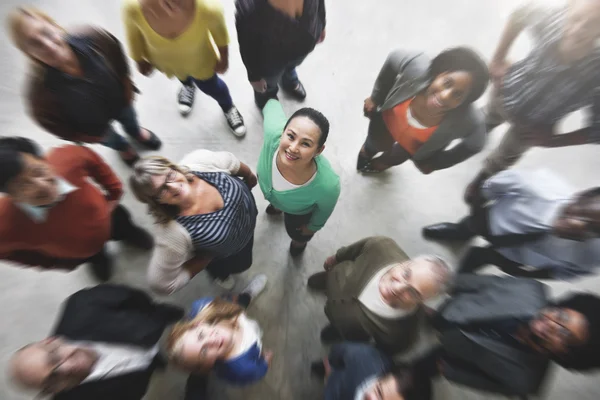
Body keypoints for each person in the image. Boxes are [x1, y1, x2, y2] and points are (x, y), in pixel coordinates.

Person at [465, 0, 600, 201]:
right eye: (576, 18)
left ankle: (484, 177)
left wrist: (554, 141)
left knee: (506, 156)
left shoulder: (596, 73)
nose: (578, 29)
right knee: (487, 116)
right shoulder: (551, 20)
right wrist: (498, 59)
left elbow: (597, 130)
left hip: (532, 127)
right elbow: (520, 14)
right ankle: (480, 131)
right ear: (569, 7)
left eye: (591, 24)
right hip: (507, 90)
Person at [7, 7, 161, 166]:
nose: (49, 46)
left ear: (54, 25)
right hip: (96, 128)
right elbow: (50, 122)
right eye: (35, 44)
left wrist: (127, 85)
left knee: (130, 119)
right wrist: (80, 136)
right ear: (29, 53)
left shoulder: (91, 37)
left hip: (120, 101)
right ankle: (122, 147)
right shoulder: (39, 93)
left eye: (46, 32)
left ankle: (135, 133)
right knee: (111, 139)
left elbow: (117, 55)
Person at [0, 137, 152, 282]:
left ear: (45, 161)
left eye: (38, 171)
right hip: (78, 251)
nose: (42, 186)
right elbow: (6, 253)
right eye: (22, 185)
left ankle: (130, 234)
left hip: (110, 215)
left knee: (124, 226)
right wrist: (52, 263)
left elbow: (90, 159)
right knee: (94, 256)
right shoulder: (4, 224)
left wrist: (114, 191)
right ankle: (98, 259)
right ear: (12, 196)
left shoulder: (67, 157)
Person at [427, 275, 600, 396]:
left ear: (566, 354)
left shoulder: (527, 381)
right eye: (562, 316)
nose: (552, 324)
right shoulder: (530, 290)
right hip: (452, 310)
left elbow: (489, 384)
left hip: (455, 353)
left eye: (564, 334)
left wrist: (451, 372)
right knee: (435, 318)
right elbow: (479, 283)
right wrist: (446, 283)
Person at [9, 284, 184, 400]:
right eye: (53, 379)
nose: (68, 368)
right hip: (139, 376)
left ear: (51, 341)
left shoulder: (83, 304)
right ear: (50, 392)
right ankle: (154, 362)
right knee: (155, 363)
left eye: (54, 358)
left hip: (158, 323)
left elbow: (135, 298)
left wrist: (159, 312)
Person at [423, 169, 600, 280]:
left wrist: (525, 273)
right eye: (581, 213)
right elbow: (490, 188)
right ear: (580, 196)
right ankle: (457, 232)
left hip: (513, 258)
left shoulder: (593, 256)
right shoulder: (538, 185)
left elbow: (564, 273)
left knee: (481, 258)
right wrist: (476, 210)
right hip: (488, 221)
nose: (576, 224)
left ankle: (464, 271)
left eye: (592, 228)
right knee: (468, 226)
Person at [130, 149, 258, 293]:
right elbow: (160, 284)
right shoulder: (172, 233)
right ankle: (221, 276)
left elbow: (231, 162)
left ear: (173, 168)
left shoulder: (200, 161)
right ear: (155, 201)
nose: (173, 187)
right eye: (161, 190)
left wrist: (248, 175)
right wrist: (205, 259)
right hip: (229, 255)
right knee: (233, 267)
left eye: (170, 176)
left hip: (247, 231)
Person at [307, 236, 452, 353]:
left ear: (422, 301)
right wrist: (336, 258)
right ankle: (325, 281)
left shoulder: (403, 333)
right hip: (336, 276)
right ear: (407, 262)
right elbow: (356, 249)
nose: (397, 287)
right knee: (329, 277)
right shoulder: (382, 246)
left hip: (347, 328)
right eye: (406, 274)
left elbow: (383, 351)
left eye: (413, 292)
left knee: (342, 330)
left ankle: (336, 330)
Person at [122, 0, 246, 136]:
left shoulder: (208, 9)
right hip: (168, 62)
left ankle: (228, 106)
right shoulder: (132, 9)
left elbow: (221, 36)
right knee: (182, 77)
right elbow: (132, 35)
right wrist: (138, 59)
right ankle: (187, 86)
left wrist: (224, 57)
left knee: (212, 87)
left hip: (201, 62)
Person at [357, 47, 489, 173]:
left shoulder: (466, 117)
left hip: (410, 147)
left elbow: (477, 142)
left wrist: (437, 163)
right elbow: (393, 58)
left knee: (394, 157)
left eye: (457, 95)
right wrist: (376, 97)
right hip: (386, 122)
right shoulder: (416, 66)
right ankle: (367, 151)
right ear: (439, 73)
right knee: (376, 142)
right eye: (447, 83)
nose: (444, 96)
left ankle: (381, 162)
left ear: (464, 102)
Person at [257, 99, 340, 256]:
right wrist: (268, 96)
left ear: (319, 150)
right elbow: (271, 105)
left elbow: (324, 210)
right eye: (290, 136)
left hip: (298, 214)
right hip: (276, 198)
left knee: (297, 233)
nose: (293, 148)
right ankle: (277, 206)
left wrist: (311, 228)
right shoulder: (272, 132)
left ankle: (298, 243)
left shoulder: (328, 185)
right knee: (276, 201)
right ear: (283, 131)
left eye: (306, 144)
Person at [167, 274, 270, 397]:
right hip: (253, 339)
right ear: (209, 364)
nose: (211, 341)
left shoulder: (206, 309)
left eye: (201, 335)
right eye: (204, 351)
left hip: (234, 311)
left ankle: (248, 294)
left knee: (240, 304)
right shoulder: (242, 368)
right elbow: (256, 372)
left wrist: (224, 304)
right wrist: (264, 363)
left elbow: (214, 304)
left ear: (199, 324)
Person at [235, 0, 326, 108]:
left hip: (300, 48)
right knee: (268, 83)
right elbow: (248, 47)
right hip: (270, 61)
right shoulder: (250, 8)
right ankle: (267, 97)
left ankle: (289, 79)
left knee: (291, 65)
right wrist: (254, 77)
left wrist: (322, 24)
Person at [310, 342, 430, 400]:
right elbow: (341, 350)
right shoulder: (363, 358)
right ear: (383, 375)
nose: (372, 398)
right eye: (378, 391)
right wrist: (331, 364)